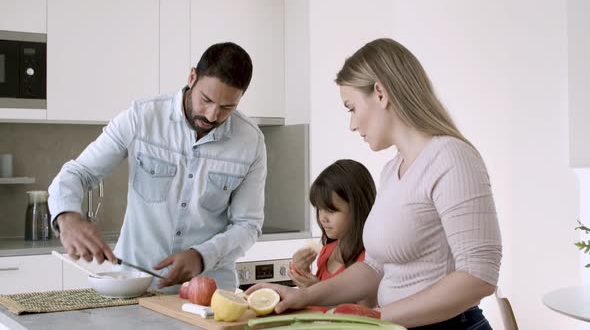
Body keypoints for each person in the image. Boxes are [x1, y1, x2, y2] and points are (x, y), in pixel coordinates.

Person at [246, 38, 502, 329]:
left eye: (351, 108)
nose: (352, 124)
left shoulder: (451, 158)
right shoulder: (392, 171)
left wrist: (379, 317)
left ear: (380, 93)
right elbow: (375, 268)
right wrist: (302, 296)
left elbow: (479, 276)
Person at [48, 42, 267, 292]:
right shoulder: (141, 118)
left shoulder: (251, 142)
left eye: (227, 107)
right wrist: (66, 217)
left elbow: (247, 224)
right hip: (136, 289)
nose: (212, 115)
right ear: (192, 77)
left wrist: (202, 256)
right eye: (206, 100)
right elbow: (79, 172)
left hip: (212, 296)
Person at [289, 159, 376, 307]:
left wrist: (318, 292)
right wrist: (301, 270)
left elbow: (363, 316)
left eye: (330, 210)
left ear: (358, 209)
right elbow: (313, 302)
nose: (322, 218)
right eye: (319, 209)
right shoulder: (328, 249)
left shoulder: (369, 260)